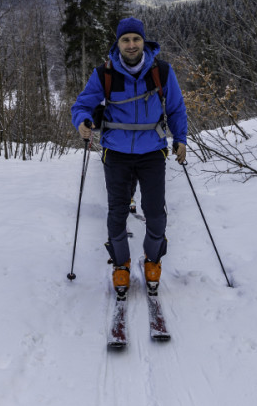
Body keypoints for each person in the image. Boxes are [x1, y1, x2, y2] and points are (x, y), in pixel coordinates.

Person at [71, 17, 188, 297]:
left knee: (156, 212)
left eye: (136, 39)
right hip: (117, 153)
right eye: (126, 40)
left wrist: (181, 139)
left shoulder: (160, 71)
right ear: (118, 43)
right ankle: (121, 264)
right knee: (117, 212)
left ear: (143, 42)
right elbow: (82, 104)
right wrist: (83, 122)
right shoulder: (105, 74)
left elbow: (176, 108)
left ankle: (152, 260)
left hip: (152, 152)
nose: (131, 45)